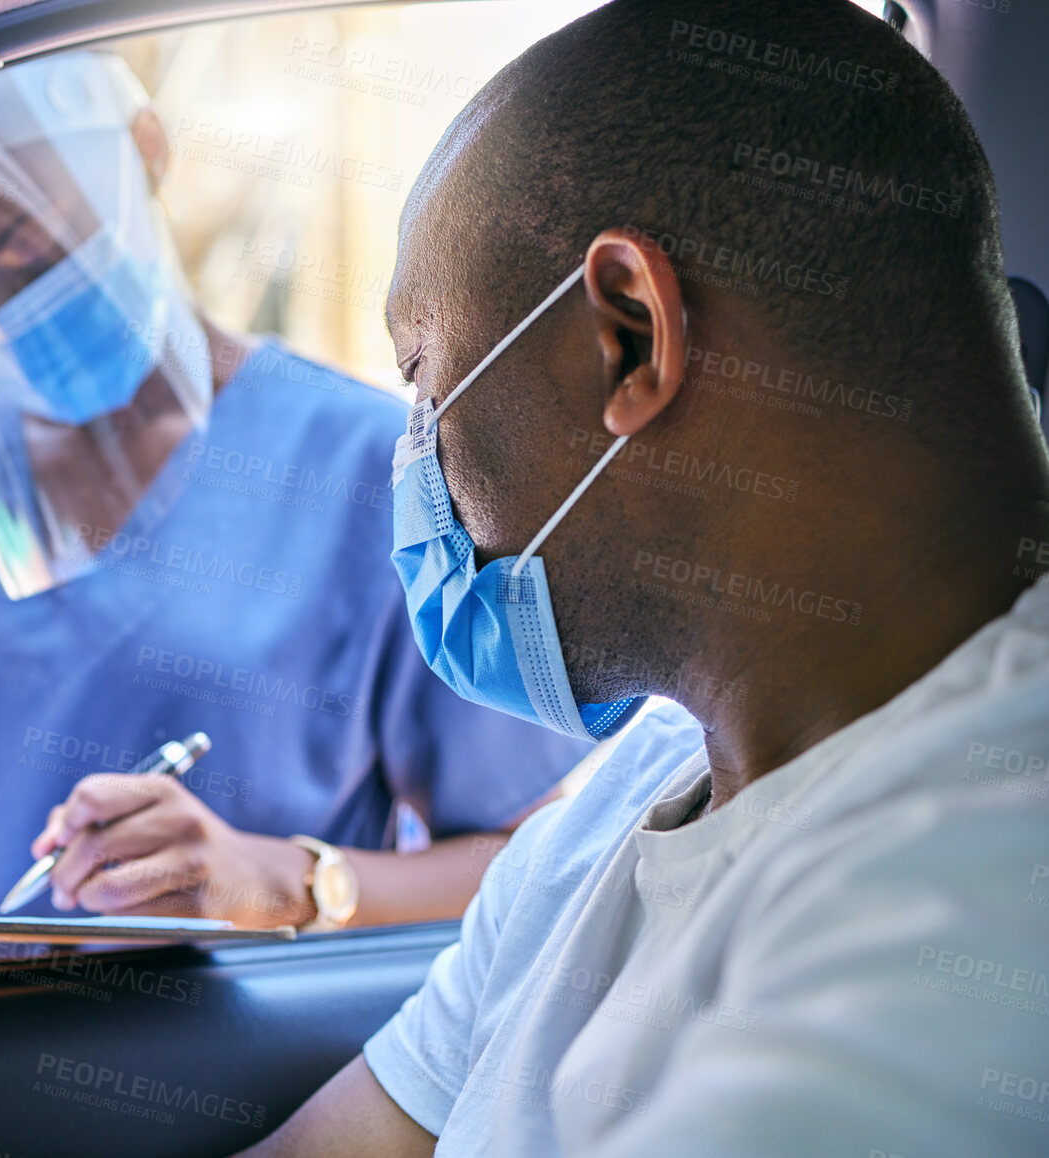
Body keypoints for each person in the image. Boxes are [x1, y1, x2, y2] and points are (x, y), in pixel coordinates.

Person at [241, 0, 1049, 1154]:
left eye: (428, 383)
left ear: (628, 335)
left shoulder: (979, 891)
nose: (418, 460)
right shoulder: (637, 792)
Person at [0, 52, 594, 981]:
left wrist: (284, 882)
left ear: (143, 148)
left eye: (22, 251)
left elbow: (524, 869)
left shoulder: (369, 469)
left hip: (231, 1099)